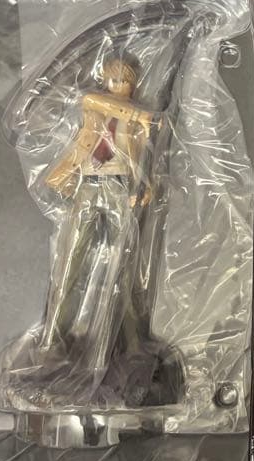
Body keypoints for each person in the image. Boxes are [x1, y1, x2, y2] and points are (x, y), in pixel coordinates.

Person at [38, 55, 161, 379]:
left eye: (124, 81)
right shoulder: (97, 105)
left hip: (120, 189)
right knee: (70, 264)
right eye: (113, 80)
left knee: (123, 270)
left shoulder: (137, 121)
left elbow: (144, 157)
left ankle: (128, 344)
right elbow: (94, 101)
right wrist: (140, 115)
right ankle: (53, 339)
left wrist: (145, 186)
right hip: (88, 186)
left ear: (134, 84)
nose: (118, 86)